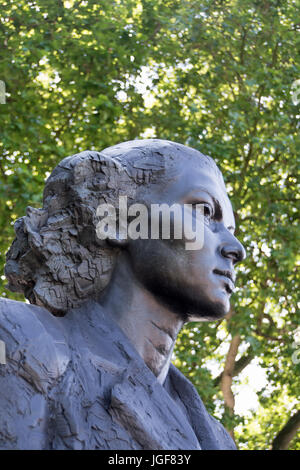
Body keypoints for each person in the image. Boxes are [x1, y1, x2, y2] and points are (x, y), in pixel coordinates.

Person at [0, 139, 245, 450]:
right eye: (205, 211)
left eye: (232, 230)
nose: (236, 249)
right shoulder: (20, 339)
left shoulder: (216, 438)